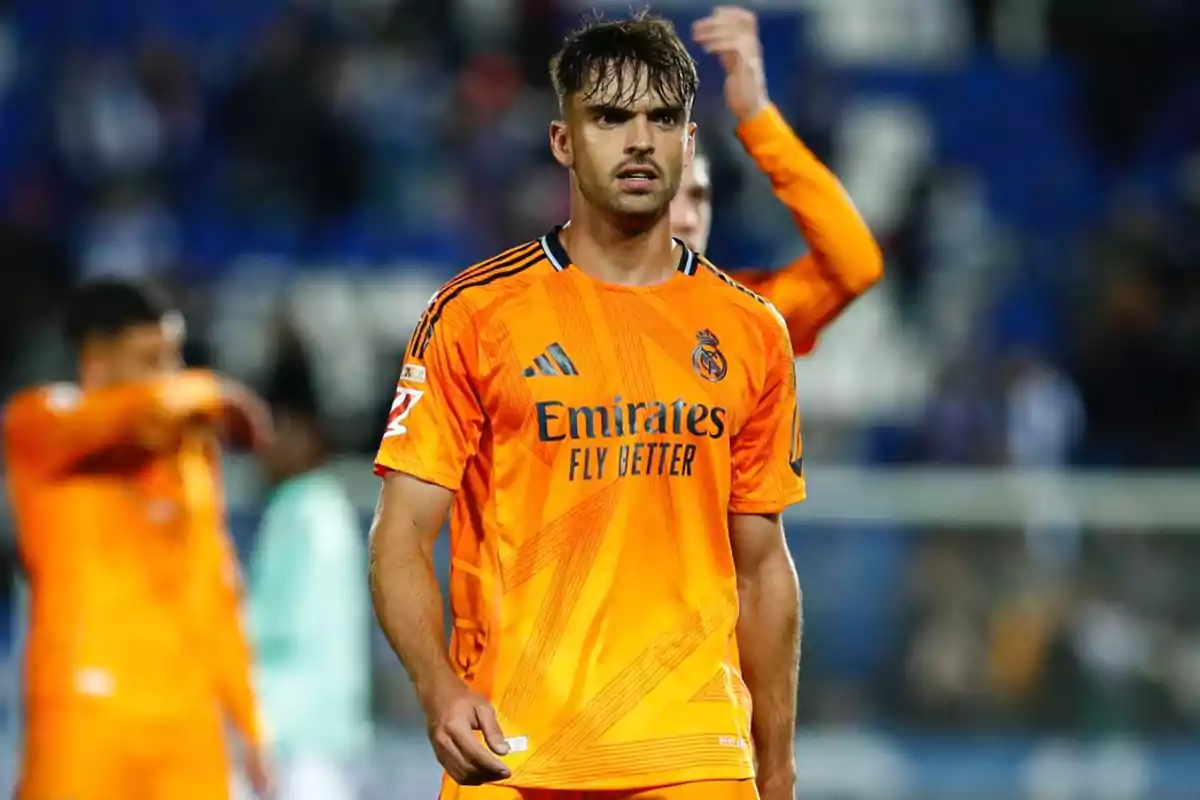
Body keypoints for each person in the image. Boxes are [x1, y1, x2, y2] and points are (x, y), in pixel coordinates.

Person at [371, 12, 804, 800]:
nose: (639, 140)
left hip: (693, 756)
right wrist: (439, 690)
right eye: (609, 117)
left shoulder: (750, 329)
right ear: (563, 142)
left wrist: (774, 767)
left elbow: (762, 567)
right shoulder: (474, 315)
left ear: (688, 142)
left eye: (661, 118)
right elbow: (400, 532)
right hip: (514, 749)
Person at [3, 280, 274, 799]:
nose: (168, 376)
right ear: (97, 360)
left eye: (174, 358)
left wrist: (250, 724)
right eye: (150, 359)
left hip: (187, 728)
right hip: (87, 718)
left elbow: (216, 593)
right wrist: (211, 391)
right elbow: (130, 413)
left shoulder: (191, 455)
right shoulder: (39, 423)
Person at [677, 5, 883, 357]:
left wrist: (757, 117)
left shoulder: (740, 317)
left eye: (698, 197)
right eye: (666, 198)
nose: (687, 218)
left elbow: (856, 266)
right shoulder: (571, 314)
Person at [248, 339, 372, 800]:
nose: (262, 446)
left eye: (273, 429)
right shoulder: (306, 506)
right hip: (308, 738)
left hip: (300, 743)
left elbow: (279, 629)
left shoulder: (308, 512)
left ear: (307, 433)